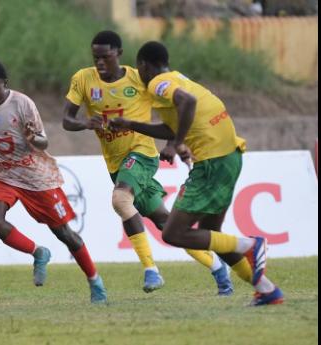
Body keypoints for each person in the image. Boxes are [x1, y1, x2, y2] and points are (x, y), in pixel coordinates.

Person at [109, 41, 284, 306]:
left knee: (172, 233)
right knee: (211, 233)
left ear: (143, 65)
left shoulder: (159, 83)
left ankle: (250, 245)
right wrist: (133, 124)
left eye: (139, 67)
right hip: (229, 155)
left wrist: (179, 143)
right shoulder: (179, 78)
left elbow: (186, 103)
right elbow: (175, 124)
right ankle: (267, 289)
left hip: (211, 161)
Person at [62, 30, 234, 295]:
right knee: (168, 225)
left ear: (118, 54)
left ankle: (151, 270)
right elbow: (66, 120)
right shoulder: (83, 79)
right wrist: (84, 123)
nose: (99, 63)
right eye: (95, 57)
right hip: (116, 163)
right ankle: (218, 268)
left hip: (142, 154)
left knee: (120, 200)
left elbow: (175, 110)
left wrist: (175, 143)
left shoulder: (139, 79)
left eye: (105, 57)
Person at [0, 59, 107, 304]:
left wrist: (33, 138)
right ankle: (38, 252)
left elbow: (44, 142)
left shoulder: (22, 104)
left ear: (5, 84)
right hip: (2, 176)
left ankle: (95, 281)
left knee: (64, 233)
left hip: (37, 178)